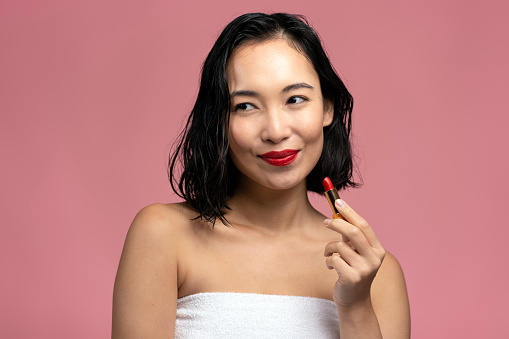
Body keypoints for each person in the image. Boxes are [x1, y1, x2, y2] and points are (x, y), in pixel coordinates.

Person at [112, 12, 410, 338]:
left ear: (327, 107)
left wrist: (355, 305)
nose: (275, 131)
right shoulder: (163, 237)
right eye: (246, 106)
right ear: (220, 121)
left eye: (295, 99)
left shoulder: (376, 274)